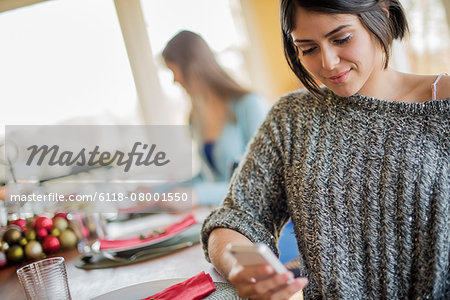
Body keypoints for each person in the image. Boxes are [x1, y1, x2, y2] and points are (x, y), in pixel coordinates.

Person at [201, 0, 449, 299]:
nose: (328, 62)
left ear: (382, 14)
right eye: (307, 48)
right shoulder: (291, 117)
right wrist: (249, 268)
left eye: (341, 39)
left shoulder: (443, 106)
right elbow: (236, 217)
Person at [160, 30, 269, 209]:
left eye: (175, 71)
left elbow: (260, 182)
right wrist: (155, 192)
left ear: (192, 67)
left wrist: (198, 195)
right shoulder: (195, 118)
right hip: (222, 216)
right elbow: (205, 178)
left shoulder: (249, 105)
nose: (175, 80)